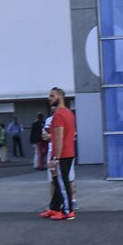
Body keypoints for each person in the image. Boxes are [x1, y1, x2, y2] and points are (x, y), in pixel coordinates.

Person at [42, 88, 76, 220]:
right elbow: (59, 135)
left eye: (52, 96)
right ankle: (54, 208)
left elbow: (59, 137)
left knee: (62, 182)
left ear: (60, 97)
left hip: (61, 155)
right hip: (67, 153)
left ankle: (68, 211)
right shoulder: (69, 113)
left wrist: (55, 157)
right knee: (58, 182)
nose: (49, 98)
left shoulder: (59, 114)